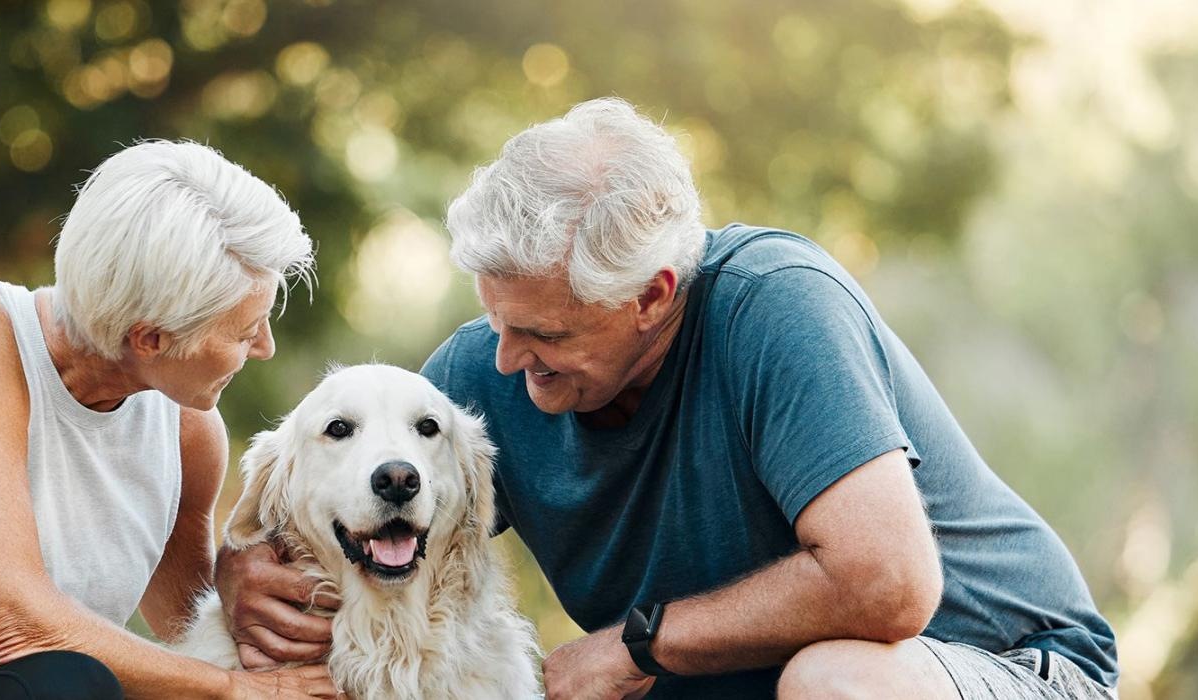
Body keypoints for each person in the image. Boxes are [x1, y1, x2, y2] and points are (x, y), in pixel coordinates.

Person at [217, 99, 1119, 699]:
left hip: (1010, 670)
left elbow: (888, 584)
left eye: (549, 334)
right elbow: (359, 502)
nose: (507, 359)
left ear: (652, 296)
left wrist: (635, 645)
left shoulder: (777, 307)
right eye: (499, 319)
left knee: (834, 683)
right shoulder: (479, 377)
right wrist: (244, 575)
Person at [0, 141, 339, 700]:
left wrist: (235, 585)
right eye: (244, 331)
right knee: (69, 680)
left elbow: (195, 640)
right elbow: (19, 626)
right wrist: (234, 691)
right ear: (149, 338)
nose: (264, 346)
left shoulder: (186, 432)